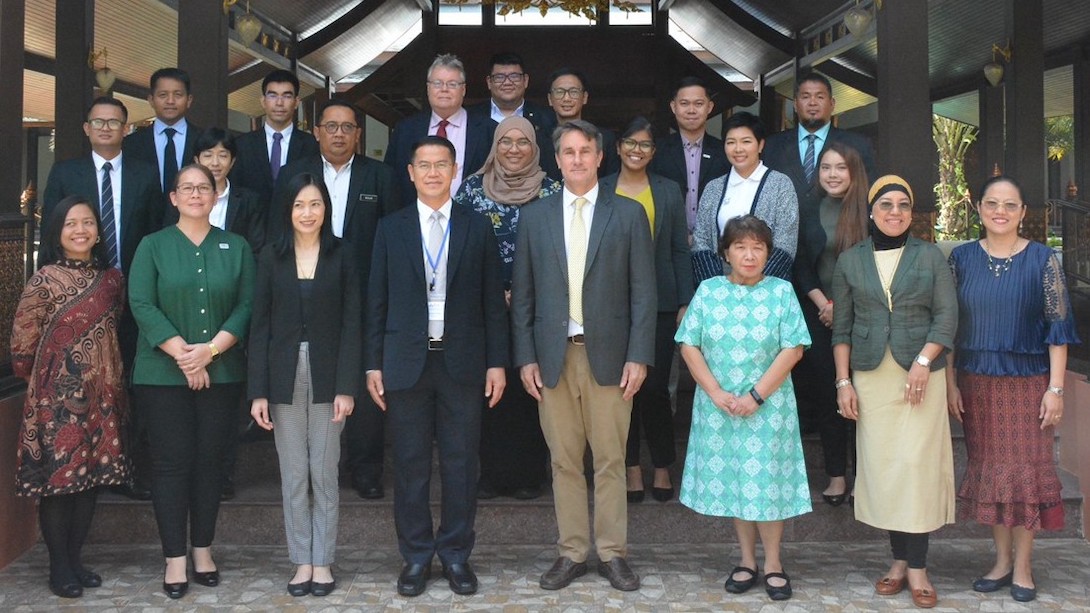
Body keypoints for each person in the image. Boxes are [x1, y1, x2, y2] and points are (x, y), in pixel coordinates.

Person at [511, 120, 656, 593]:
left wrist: (639, 355)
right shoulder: (535, 216)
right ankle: (572, 552)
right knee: (564, 460)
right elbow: (525, 297)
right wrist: (526, 357)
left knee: (611, 459)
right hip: (553, 357)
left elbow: (643, 294)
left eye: (585, 151)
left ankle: (613, 553)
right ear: (557, 160)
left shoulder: (629, 214)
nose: (576, 159)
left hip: (611, 356)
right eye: (568, 152)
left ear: (599, 157)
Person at [366, 136, 508, 597]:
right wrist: (372, 365)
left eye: (440, 165)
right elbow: (377, 302)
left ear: (454, 170)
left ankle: (455, 555)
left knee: (461, 464)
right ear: (410, 172)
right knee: (409, 465)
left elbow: (493, 301)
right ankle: (415, 557)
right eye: (423, 165)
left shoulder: (476, 226)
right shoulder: (390, 228)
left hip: (462, 361)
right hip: (405, 362)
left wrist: (497, 364)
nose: (431, 173)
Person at [947, 176, 1080, 603]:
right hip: (976, 381)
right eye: (991, 203)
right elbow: (947, 328)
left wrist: (1055, 389)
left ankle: (1023, 566)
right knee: (990, 473)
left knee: (1024, 476)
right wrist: (950, 383)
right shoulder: (962, 258)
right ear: (979, 208)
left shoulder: (1043, 260)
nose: (1000, 211)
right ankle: (1001, 561)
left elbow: (1058, 330)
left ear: (1024, 212)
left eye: (1010, 204)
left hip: (1028, 385)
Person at [128, 164, 255, 599]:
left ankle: (202, 551)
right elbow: (141, 302)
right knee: (170, 463)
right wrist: (184, 353)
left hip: (222, 373)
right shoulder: (153, 245)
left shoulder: (235, 246)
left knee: (209, 463)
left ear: (217, 195)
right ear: (174, 197)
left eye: (205, 187)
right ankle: (174, 559)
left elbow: (246, 305)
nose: (197, 194)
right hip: (162, 374)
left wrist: (210, 352)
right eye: (188, 188)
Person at [831, 175, 957, 609]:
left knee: (916, 467)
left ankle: (918, 566)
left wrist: (924, 361)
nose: (895, 212)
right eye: (886, 205)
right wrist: (843, 381)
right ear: (871, 210)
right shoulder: (850, 260)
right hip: (870, 376)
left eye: (903, 205)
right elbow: (841, 329)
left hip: (921, 374)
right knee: (886, 470)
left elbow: (946, 317)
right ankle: (898, 561)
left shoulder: (930, 256)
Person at [676, 215, 811, 602]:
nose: (749, 255)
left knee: (765, 483)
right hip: (720, 406)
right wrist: (716, 391)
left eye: (758, 248)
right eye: (740, 247)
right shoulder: (709, 290)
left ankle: (773, 563)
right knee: (738, 480)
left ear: (768, 253)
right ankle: (746, 559)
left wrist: (756, 395)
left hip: (769, 406)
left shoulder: (782, 292)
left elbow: (794, 348)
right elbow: (689, 344)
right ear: (726, 253)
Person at [274, 99, 398, 500]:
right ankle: (312, 468)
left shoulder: (380, 176)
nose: (339, 134)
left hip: (366, 290)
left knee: (364, 376)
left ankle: (365, 468)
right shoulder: (295, 175)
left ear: (358, 133)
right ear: (317, 131)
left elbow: (394, 233)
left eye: (347, 127)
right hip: (308, 289)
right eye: (331, 126)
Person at [41, 96, 163, 502]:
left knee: (130, 386)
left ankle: (130, 470)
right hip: (81, 299)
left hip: (134, 297)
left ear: (127, 129)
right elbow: (50, 235)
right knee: (88, 389)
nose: (107, 128)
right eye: (99, 121)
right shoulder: (66, 171)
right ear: (86, 128)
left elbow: (155, 235)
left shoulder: (147, 174)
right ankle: (91, 467)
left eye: (115, 122)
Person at [248, 173, 361, 598]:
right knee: (294, 473)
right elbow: (259, 326)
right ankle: (302, 561)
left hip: (331, 376)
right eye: (299, 205)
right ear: (287, 210)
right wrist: (258, 390)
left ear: (326, 209)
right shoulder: (270, 257)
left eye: (315, 204)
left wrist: (348, 386)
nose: (308, 213)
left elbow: (354, 323)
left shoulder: (343, 254)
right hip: (283, 376)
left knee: (324, 471)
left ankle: (324, 560)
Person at [11, 196, 130, 599]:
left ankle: (76, 559)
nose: (80, 230)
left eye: (88, 223)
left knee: (90, 480)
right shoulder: (44, 279)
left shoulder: (112, 279)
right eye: (70, 224)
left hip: (102, 399)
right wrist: (51, 388)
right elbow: (22, 346)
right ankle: (58, 566)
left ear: (98, 231)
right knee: (60, 484)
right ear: (57, 232)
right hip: (55, 402)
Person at [453, 116, 561, 500]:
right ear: (494, 147)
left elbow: (563, 251)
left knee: (529, 387)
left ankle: (531, 474)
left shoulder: (553, 191)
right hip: (483, 307)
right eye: (505, 142)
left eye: (523, 142)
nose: (513, 149)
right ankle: (491, 475)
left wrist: (524, 292)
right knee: (490, 389)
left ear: (535, 148)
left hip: (540, 307)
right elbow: (456, 248)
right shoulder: (470, 191)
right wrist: (493, 292)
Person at [599, 116, 693, 503]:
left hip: (659, 302)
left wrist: (686, 298)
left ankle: (662, 465)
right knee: (621, 389)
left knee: (654, 387)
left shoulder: (668, 191)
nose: (637, 151)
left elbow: (678, 248)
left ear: (654, 152)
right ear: (618, 147)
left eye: (646, 145)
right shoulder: (601, 189)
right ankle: (630, 467)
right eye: (631, 143)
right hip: (609, 303)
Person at [791, 142, 870, 506]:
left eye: (841, 167)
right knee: (829, 395)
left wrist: (845, 306)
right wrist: (824, 303)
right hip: (818, 314)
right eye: (826, 168)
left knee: (863, 397)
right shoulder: (807, 209)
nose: (833, 174)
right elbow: (801, 264)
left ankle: (863, 478)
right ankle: (836, 475)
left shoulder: (869, 211)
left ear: (854, 172)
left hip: (864, 315)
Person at [691, 112, 798, 283]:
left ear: (760, 145)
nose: (738, 149)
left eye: (746, 141)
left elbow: (786, 242)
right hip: (720, 288)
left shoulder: (781, 185)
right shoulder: (714, 187)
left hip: (766, 288)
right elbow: (701, 239)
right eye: (731, 142)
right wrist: (718, 284)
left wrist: (756, 283)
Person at [385, 53, 495, 208]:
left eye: (452, 84)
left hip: (472, 221)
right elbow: (391, 180)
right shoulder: (405, 130)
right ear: (428, 88)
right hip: (416, 220)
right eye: (437, 83)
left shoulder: (488, 130)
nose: (444, 89)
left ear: (463, 89)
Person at [762, 71, 877, 207]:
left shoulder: (857, 145)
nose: (812, 103)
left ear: (832, 103)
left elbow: (868, 194)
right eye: (805, 97)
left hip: (838, 227)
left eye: (820, 97)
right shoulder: (773, 145)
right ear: (795, 104)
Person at [648, 77, 730, 238]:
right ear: (673, 107)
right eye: (684, 103)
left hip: (713, 245)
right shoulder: (657, 151)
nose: (691, 110)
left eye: (698, 104)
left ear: (709, 107)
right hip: (668, 243)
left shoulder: (724, 152)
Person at [230, 69, 319, 210]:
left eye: (286, 96)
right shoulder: (242, 145)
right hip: (252, 226)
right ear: (263, 101)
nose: (279, 103)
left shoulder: (311, 145)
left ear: (296, 102)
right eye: (272, 96)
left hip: (296, 224)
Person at [123, 67, 201, 194]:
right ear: (151, 100)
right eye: (163, 95)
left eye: (178, 95)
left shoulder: (203, 141)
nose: (170, 101)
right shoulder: (131, 144)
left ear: (189, 100)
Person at [467, 51, 556, 157]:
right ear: (489, 82)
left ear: (525, 80)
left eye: (514, 76)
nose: (507, 82)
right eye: (499, 77)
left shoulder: (546, 118)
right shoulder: (470, 117)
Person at [191, 128, 265, 252]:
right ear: (197, 160)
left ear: (232, 162)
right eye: (208, 155)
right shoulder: (183, 198)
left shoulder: (250, 201)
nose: (215, 163)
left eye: (223, 155)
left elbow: (255, 249)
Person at [541, 68, 619, 180]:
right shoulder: (540, 141)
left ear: (585, 97)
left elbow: (611, 181)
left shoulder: (605, 138)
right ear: (550, 99)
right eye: (559, 92)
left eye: (573, 92)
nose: (566, 98)